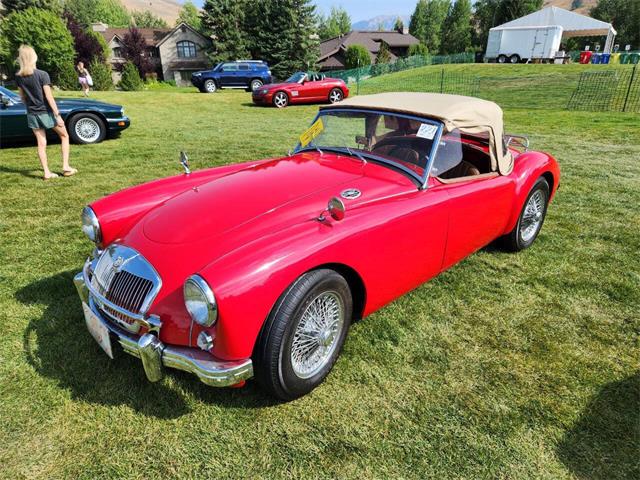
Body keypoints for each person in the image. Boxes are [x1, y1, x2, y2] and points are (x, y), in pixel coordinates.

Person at [15, 45, 76, 180]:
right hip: (46, 112)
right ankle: (66, 167)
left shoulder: (19, 77)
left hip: (32, 113)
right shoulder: (42, 75)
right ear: (33, 57)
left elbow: (22, 97)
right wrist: (57, 115)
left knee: (41, 143)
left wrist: (31, 106)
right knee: (65, 136)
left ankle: (47, 172)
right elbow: (49, 97)